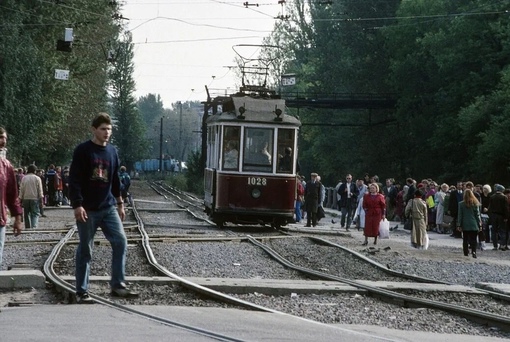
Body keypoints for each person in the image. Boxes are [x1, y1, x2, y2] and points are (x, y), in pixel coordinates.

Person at [69, 113, 138, 304]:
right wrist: (77, 205)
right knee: (86, 249)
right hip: (88, 209)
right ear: (94, 129)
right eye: (103, 129)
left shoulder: (112, 152)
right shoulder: (83, 151)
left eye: (109, 129)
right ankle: (82, 291)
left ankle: (118, 284)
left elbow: (115, 179)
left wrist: (120, 203)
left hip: (108, 207)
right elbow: (74, 179)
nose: (106, 133)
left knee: (121, 241)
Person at [0, 127, 23, 268]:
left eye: (5, 138)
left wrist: (18, 218)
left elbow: (12, 195)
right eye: (0, 137)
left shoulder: (6, 166)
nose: (3, 142)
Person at [457, 189, 482, 258]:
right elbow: (477, 215)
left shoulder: (461, 204)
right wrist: (479, 224)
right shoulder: (475, 203)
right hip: (474, 224)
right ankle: (474, 252)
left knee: (465, 239)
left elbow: (460, 215)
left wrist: (459, 224)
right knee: (474, 239)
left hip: (465, 224)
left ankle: (466, 252)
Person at [19, 164, 44, 229]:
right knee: (35, 213)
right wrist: (41, 200)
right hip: (35, 198)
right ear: (34, 171)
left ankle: (27, 227)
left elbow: (21, 189)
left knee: (26, 214)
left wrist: (20, 198)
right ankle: (34, 226)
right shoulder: (37, 178)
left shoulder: (24, 178)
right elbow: (40, 190)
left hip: (26, 198)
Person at [488, 184, 508, 251]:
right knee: (502, 230)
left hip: (494, 215)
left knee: (494, 231)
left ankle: (495, 246)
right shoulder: (504, 197)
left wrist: (490, 215)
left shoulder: (492, 197)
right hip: (501, 216)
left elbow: (490, 208)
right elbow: (506, 208)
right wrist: (506, 216)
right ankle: (502, 245)